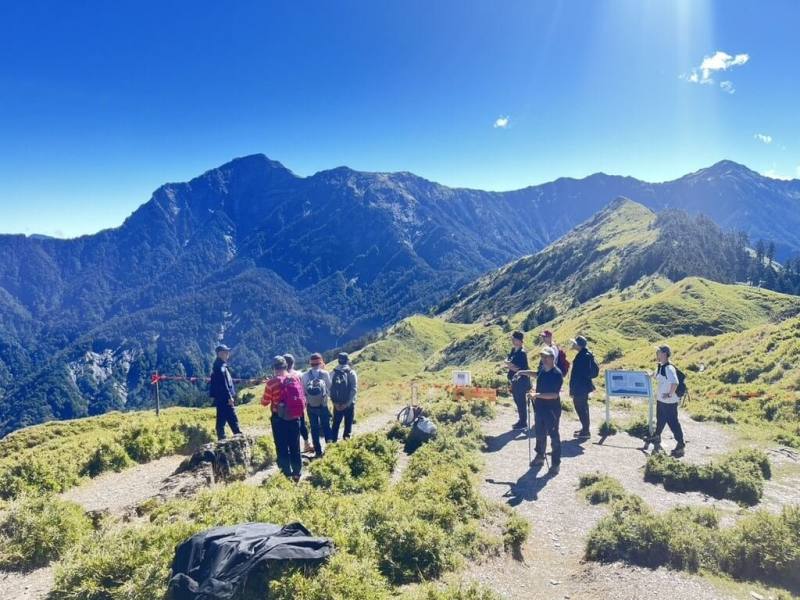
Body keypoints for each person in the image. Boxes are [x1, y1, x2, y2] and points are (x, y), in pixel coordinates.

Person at [516, 347, 563, 475]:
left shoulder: (557, 374)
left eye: (546, 357)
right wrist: (523, 372)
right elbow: (536, 374)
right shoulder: (543, 369)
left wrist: (536, 395)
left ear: (552, 358)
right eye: (542, 356)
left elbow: (554, 395)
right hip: (540, 408)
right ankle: (540, 457)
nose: (543, 359)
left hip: (552, 410)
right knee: (540, 433)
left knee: (554, 436)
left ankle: (555, 464)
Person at [261, 355, 306, 481]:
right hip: (295, 417)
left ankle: (286, 475)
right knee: (295, 446)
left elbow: (264, 402)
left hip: (279, 419)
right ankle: (297, 473)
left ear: (274, 368)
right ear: (286, 366)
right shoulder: (295, 378)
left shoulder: (271, 383)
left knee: (282, 447)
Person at [652, 345, 686, 457]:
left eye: (658, 352)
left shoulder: (669, 368)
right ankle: (657, 436)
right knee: (660, 419)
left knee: (673, 423)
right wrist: (649, 375)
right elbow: (655, 375)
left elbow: (675, 382)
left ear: (664, 354)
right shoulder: (661, 366)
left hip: (669, 402)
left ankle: (681, 445)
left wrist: (670, 394)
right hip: (661, 400)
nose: (657, 354)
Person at [301, 352, 333, 457]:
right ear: (321, 362)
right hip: (323, 405)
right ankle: (330, 449)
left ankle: (318, 452)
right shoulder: (324, 374)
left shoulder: (305, 375)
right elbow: (329, 388)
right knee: (326, 427)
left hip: (311, 406)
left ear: (310, 363)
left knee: (314, 429)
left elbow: (303, 392)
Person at [208, 344, 242, 440]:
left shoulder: (220, 365)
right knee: (228, 417)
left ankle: (233, 435)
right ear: (220, 353)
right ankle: (234, 435)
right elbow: (223, 383)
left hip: (221, 397)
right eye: (225, 352)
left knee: (226, 417)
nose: (228, 354)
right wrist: (229, 397)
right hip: (224, 397)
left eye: (227, 352)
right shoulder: (220, 367)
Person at [284, 354, 315, 454]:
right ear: (293, 363)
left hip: (285, 406)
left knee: (288, 426)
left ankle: (291, 448)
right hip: (299, 404)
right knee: (302, 424)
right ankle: (307, 443)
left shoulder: (281, 376)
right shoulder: (298, 374)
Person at [569, 335, 598, 439]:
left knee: (581, 408)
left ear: (578, 345)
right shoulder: (585, 354)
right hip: (583, 387)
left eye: (574, 343)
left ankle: (585, 431)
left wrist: (572, 390)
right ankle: (585, 429)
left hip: (580, 387)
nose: (572, 344)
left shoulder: (582, 356)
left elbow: (577, 375)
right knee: (583, 408)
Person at [505, 331, 531, 430]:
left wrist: (508, 364)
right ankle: (521, 420)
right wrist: (508, 364)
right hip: (515, 380)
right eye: (512, 338)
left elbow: (517, 368)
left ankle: (523, 422)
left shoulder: (522, 353)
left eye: (514, 339)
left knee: (521, 402)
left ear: (520, 341)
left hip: (521, 381)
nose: (512, 340)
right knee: (517, 400)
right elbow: (507, 360)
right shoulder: (513, 350)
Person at [330, 352, 358, 441]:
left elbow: (329, 389)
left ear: (338, 361)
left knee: (335, 424)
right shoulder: (351, 372)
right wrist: (347, 404)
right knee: (348, 424)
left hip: (337, 404)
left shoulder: (333, 373)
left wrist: (334, 403)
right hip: (349, 404)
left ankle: (332, 444)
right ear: (347, 361)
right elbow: (354, 389)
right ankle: (346, 445)